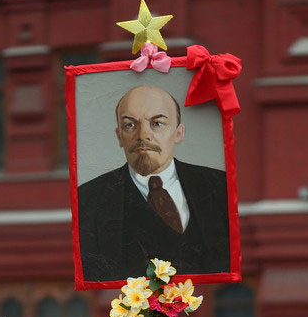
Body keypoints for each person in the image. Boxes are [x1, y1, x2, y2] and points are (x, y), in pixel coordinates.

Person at [78, 85, 230, 283]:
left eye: (157, 123)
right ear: (119, 136)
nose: (142, 135)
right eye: (130, 125)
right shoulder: (89, 200)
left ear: (178, 133)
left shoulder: (219, 186)